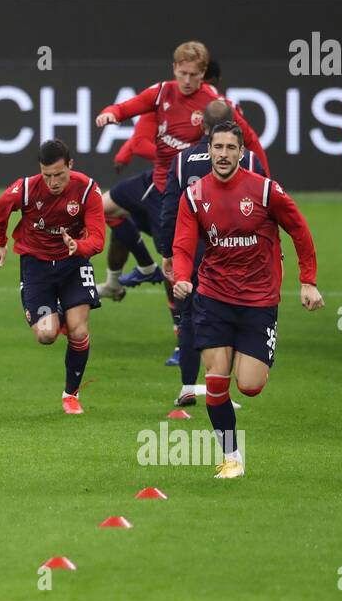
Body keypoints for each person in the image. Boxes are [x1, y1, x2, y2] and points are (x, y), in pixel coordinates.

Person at [95, 42, 266, 366]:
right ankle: (143, 269)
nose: (187, 79)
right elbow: (130, 106)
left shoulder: (218, 105)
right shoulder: (162, 92)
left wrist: (266, 182)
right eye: (182, 72)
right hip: (155, 182)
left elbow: (252, 142)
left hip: (184, 196)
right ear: (174, 68)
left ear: (203, 74)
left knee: (175, 264)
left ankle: (181, 336)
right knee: (102, 208)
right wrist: (111, 114)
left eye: (193, 74)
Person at [170, 121, 322, 478]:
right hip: (213, 296)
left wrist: (308, 281)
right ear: (210, 150)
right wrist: (181, 277)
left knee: (249, 386)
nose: (223, 155)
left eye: (230, 148)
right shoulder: (194, 194)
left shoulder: (265, 191)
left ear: (242, 152)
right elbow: (182, 244)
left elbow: (299, 229)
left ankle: (250, 353)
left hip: (258, 300)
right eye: (217, 148)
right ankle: (233, 457)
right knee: (216, 381)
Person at [159, 100, 266, 407]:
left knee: (191, 315)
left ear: (202, 127)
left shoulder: (182, 161)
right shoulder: (249, 160)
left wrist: (168, 252)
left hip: (194, 250)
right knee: (230, 313)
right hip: (237, 252)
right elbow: (267, 208)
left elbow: (170, 210)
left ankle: (187, 387)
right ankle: (222, 390)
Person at [0, 138, 106, 416]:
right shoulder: (28, 189)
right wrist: (0, 241)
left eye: (59, 175)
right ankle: (57, 312)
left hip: (73, 263)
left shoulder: (88, 189)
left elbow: (99, 239)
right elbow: (3, 205)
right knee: (46, 335)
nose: (53, 182)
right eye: (47, 176)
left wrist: (78, 246)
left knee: (79, 331)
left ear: (70, 165)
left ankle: (71, 394)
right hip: (36, 266)